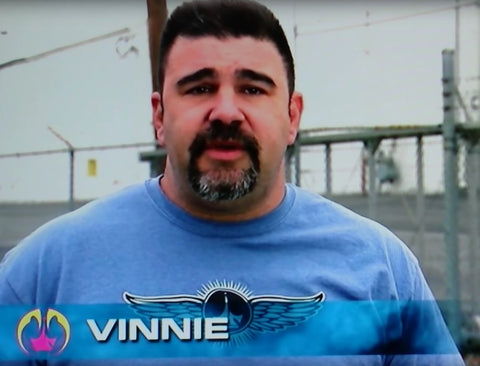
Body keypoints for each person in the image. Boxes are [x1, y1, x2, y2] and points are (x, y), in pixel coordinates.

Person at [0, 0, 464, 365]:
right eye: (200, 87)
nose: (225, 111)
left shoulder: (380, 271)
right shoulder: (46, 274)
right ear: (159, 116)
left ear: (292, 115)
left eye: (253, 88)